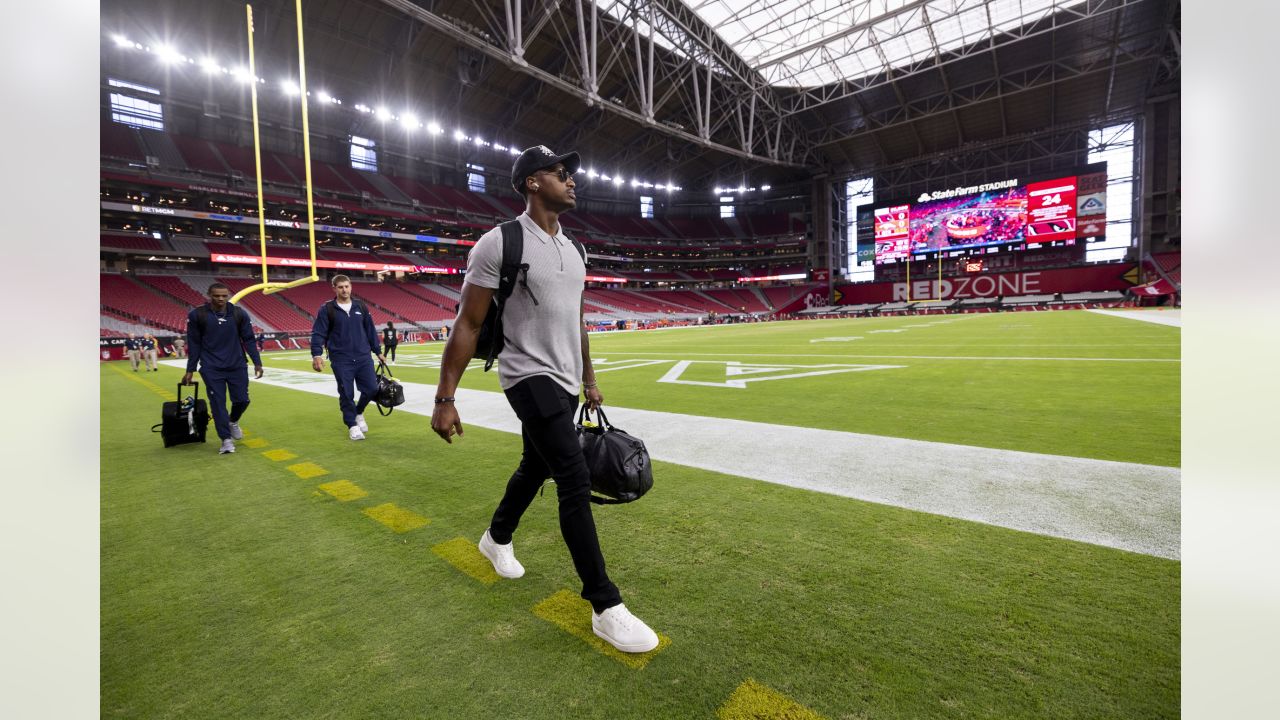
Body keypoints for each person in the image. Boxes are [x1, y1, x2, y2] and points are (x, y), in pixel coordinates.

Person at [430, 145, 659, 654]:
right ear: (533, 183)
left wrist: (590, 379)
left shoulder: (576, 250)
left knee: (536, 467)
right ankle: (605, 604)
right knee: (573, 477)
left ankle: (496, 537)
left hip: (564, 379)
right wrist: (446, 397)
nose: (571, 181)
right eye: (560, 174)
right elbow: (468, 323)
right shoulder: (499, 243)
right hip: (524, 374)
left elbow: (575, 322)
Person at [182, 283, 264, 454]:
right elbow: (194, 344)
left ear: (228, 295)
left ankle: (232, 421)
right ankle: (226, 440)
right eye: (216, 296)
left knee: (242, 400)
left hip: (237, 365)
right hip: (211, 368)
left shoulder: (238, 313)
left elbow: (248, 339)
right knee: (218, 404)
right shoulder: (198, 315)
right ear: (209, 295)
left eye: (224, 296)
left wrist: (257, 362)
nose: (220, 299)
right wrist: (190, 369)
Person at [310, 275, 385, 440]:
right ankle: (352, 425)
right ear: (334, 288)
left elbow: (370, 330)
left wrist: (378, 351)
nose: (344, 290)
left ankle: (358, 412)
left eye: (347, 286)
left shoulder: (361, 306)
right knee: (346, 394)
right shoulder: (327, 309)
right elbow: (318, 333)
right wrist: (317, 354)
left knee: (372, 389)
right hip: (341, 359)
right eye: (340, 287)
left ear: (351, 286)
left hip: (363, 357)